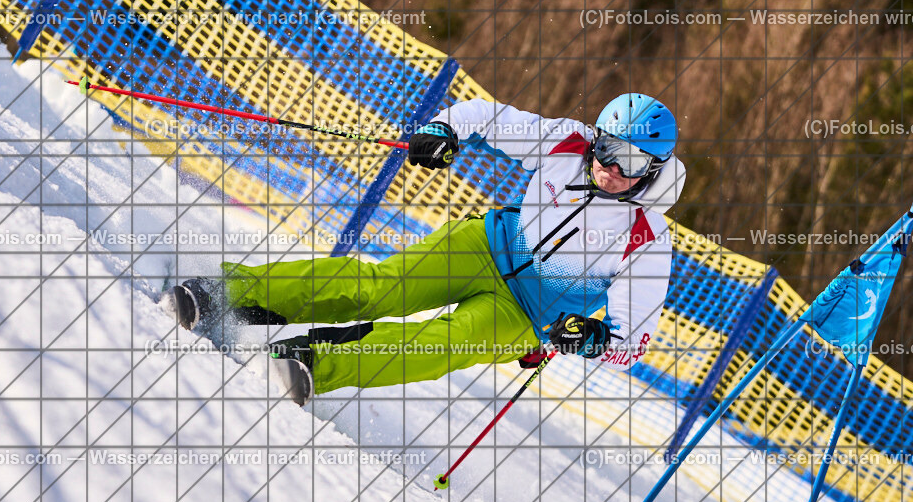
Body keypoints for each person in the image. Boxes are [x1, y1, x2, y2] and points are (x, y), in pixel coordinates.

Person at [162, 93, 685, 397]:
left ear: (653, 171)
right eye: (610, 150)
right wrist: (444, 128)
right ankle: (220, 292)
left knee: (440, 346)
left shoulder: (647, 236)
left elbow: (633, 341)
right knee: (378, 288)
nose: (612, 170)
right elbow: (487, 117)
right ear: (597, 137)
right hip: (485, 244)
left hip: (527, 313)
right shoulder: (568, 142)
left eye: (633, 165)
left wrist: (592, 338)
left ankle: (309, 363)